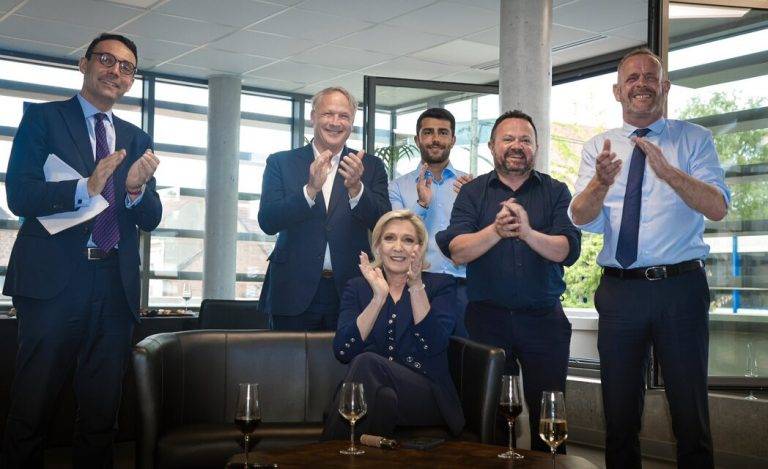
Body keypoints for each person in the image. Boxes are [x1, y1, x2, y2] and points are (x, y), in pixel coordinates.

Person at [2, 33, 162, 467]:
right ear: (84, 64)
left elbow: (151, 216)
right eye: (107, 60)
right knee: (32, 407)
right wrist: (83, 188)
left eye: (126, 67)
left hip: (114, 286)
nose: (116, 71)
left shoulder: (135, 134)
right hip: (54, 286)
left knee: (100, 415)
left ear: (131, 80)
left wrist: (133, 191)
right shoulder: (44, 120)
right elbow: (19, 195)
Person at [569, 48, 729, 469]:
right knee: (619, 417)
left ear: (665, 87)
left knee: (689, 417)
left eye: (650, 77)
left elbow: (717, 207)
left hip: (681, 290)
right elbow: (581, 218)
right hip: (620, 294)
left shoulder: (695, 139)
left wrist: (669, 172)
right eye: (632, 77)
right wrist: (600, 183)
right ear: (618, 90)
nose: (641, 83)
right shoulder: (597, 147)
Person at [436, 110, 580, 453]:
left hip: (544, 321)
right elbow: (457, 250)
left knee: (550, 414)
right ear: (491, 146)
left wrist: (527, 232)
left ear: (536, 147)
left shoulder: (557, 191)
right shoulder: (472, 193)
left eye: (525, 140)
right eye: (508, 139)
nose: (517, 146)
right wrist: (497, 230)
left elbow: (567, 250)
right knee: (492, 417)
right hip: (487, 321)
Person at [323, 210, 464, 439]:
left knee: (367, 362)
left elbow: (434, 345)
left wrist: (416, 285)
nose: (398, 247)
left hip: (426, 396)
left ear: (419, 248)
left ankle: (325, 455)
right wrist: (378, 298)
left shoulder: (441, 286)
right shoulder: (357, 288)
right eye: (389, 238)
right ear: (378, 246)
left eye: (408, 240)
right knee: (383, 399)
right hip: (376, 395)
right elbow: (343, 350)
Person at [258, 86, 390, 331]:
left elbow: (385, 223)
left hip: (351, 289)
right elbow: (268, 221)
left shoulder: (370, 166)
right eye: (328, 114)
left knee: (347, 368)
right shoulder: (280, 162)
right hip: (292, 291)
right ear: (312, 117)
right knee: (290, 367)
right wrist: (309, 191)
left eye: (344, 116)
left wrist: (357, 190)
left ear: (352, 122)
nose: (335, 122)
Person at [389, 108, 473, 336]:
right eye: (428, 132)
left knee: (466, 360)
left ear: (453, 140)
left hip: (463, 288)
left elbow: (482, 236)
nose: (435, 139)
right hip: (418, 283)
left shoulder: (471, 186)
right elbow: (399, 237)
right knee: (419, 356)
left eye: (443, 133)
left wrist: (473, 201)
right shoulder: (397, 187)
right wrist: (422, 204)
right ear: (417, 139)